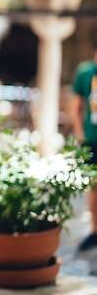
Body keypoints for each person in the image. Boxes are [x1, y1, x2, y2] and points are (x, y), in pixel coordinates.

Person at [69, 40, 97, 252]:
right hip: (92, 140)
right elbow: (76, 106)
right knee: (94, 187)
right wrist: (81, 136)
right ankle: (94, 231)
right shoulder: (86, 72)